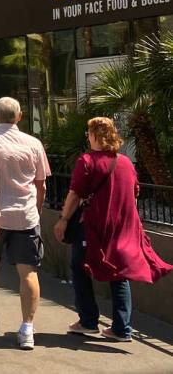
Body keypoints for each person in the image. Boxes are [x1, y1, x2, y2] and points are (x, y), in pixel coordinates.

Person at [54, 117, 172, 341]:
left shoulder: (87, 161)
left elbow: (75, 194)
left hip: (94, 226)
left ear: (95, 135)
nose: (87, 137)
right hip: (122, 226)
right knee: (119, 275)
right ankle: (122, 328)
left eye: (88, 133)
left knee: (79, 268)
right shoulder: (126, 162)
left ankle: (88, 321)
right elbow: (134, 194)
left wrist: (63, 219)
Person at [0, 97, 50, 350]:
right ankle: (27, 329)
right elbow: (41, 185)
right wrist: (35, 210)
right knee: (28, 272)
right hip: (25, 215)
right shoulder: (34, 143)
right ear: (19, 116)